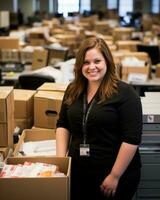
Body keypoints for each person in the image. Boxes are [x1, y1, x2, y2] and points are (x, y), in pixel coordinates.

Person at [56, 37, 142, 200]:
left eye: (97, 61)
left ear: (107, 62)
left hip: (114, 174)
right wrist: (62, 163)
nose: (91, 67)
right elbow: (63, 124)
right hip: (79, 173)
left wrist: (115, 176)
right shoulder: (73, 89)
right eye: (86, 62)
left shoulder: (125, 93)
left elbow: (131, 139)